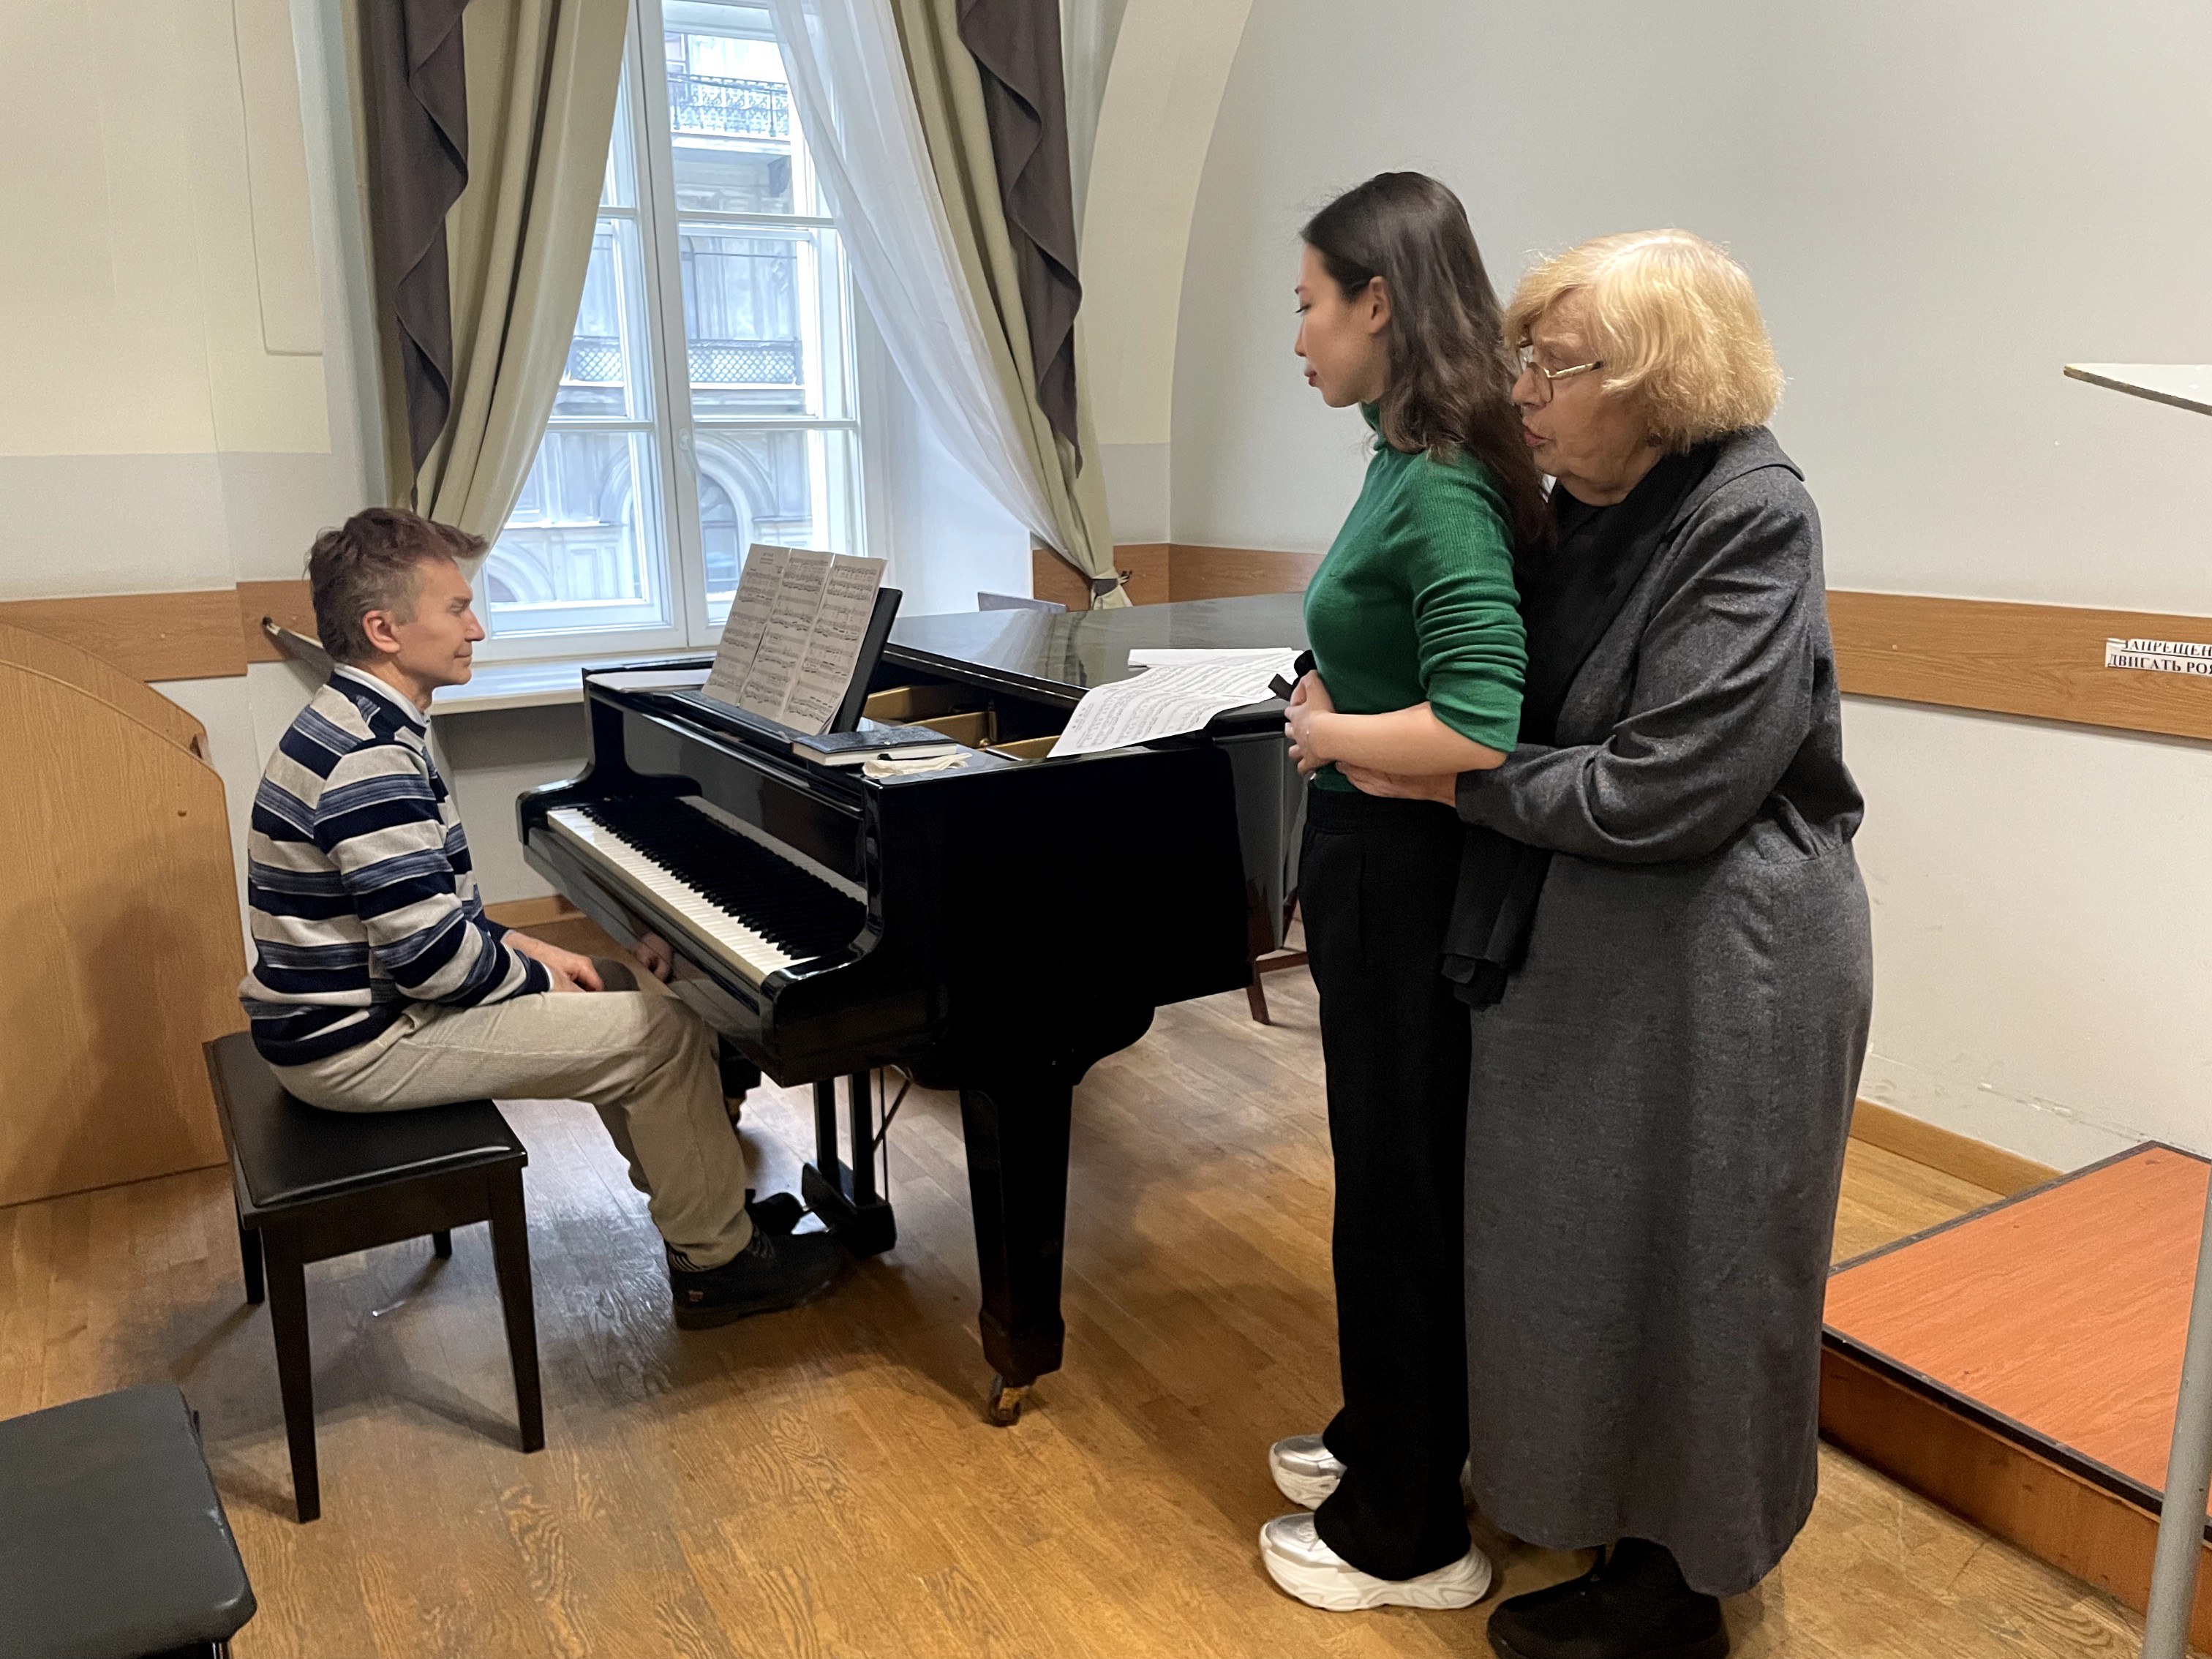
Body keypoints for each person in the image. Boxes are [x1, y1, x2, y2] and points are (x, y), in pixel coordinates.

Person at [1341, 231, 1872, 1659]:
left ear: (1659, 383)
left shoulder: (1751, 514)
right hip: (1602, 941)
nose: (1521, 391)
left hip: (1726, 961)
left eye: (1556, 367)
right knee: (1581, 1261)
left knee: (1704, 1278)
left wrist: (1453, 785)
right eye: (1523, 358)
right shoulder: (1581, 502)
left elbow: (1668, 787)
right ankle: (1599, 1515)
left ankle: (1675, 1590)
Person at [237, 507, 842, 1328]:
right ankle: (719, 1263)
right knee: (664, 1034)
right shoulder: (369, 758)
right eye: (456, 609)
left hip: (347, 1015)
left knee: (615, 982)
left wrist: (525, 945)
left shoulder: (355, 720)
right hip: (358, 1046)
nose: (476, 628)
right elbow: (430, 965)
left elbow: (426, 915)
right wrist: (535, 971)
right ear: (384, 629)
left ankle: (703, 1207)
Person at [1264, 172, 1549, 1613]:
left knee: (1396, 1190)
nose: (1296, 336)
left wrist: (1330, 737)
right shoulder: (1399, 454)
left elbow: (1481, 723)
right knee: (1385, 1179)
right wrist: (1341, 715)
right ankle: (1389, 1429)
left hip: (1406, 876)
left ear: (1378, 302)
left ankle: (1408, 1533)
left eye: (1308, 304)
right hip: (1374, 864)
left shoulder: (1437, 483)